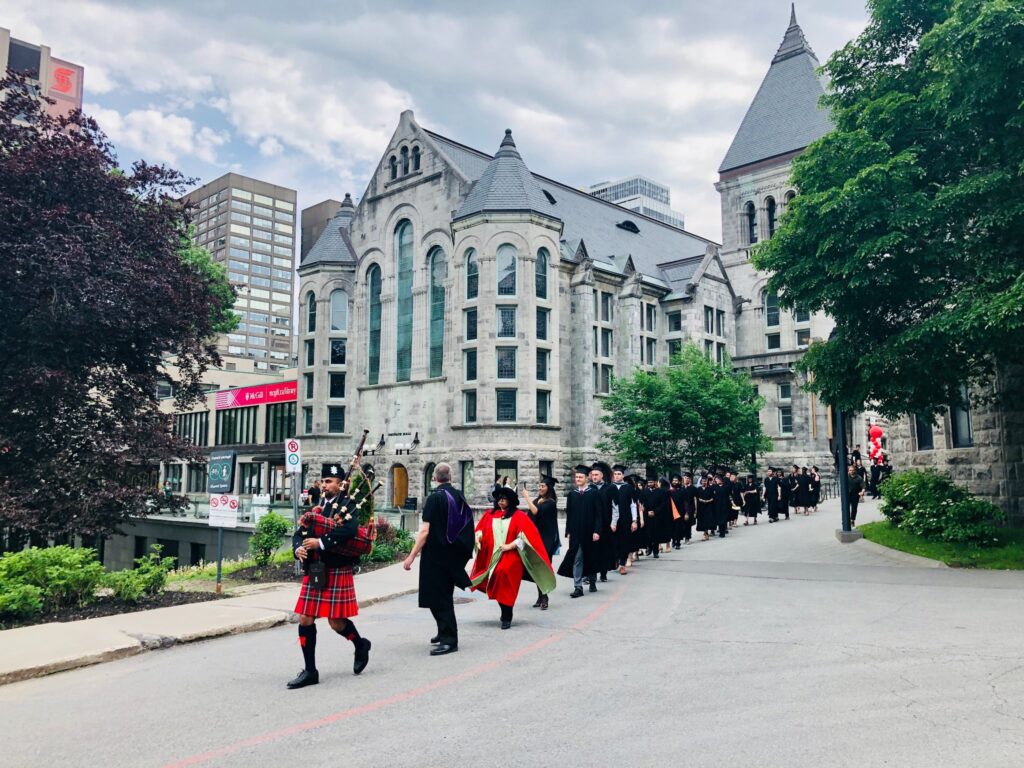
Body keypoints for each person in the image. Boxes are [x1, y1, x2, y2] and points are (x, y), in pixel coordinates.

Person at [287, 464, 371, 690]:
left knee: (336, 622)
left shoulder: (348, 505)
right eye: (323, 481)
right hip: (316, 568)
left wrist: (320, 543)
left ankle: (360, 644)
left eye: (330, 481)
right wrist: (299, 548)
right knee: (305, 617)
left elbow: (350, 531)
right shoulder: (318, 508)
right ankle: (310, 671)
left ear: (341, 484)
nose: (325, 485)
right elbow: (300, 532)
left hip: (336, 568)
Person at [403, 463, 474, 656]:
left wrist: (411, 556)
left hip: (436, 556)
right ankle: (443, 632)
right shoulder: (459, 495)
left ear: (434, 478)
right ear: (450, 477)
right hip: (452, 555)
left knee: (439, 598)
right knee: (440, 596)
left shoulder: (434, 498)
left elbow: (425, 531)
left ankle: (450, 640)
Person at [470, 487, 555, 629]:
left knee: (504, 574)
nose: (501, 502)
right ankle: (505, 611)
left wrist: (511, 545)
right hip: (494, 556)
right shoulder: (489, 515)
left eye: (504, 500)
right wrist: (477, 538)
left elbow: (527, 537)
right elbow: (479, 530)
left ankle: (507, 615)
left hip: (512, 555)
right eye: (499, 499)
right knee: (496, 580)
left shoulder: (519, 516)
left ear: (510, 501)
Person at [558, 465, 602, 597]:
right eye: (576, 477)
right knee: (577, 558)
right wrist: (568, 532)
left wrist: (597, 531)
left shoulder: (594, 493)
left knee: (591, 556)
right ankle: (578, 587)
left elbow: (599, 514)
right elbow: (569, 515)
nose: (578, 479)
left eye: (580, 477)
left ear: (587, 478)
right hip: (576, 533)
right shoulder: (572, 495)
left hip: (590, 532)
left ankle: (593, 580)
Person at [520, 476, 560, 610]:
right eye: (539, 486)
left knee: (543, 568)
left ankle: (545, 597)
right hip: (536, 539)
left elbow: (536, 511)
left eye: (543, 486)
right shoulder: (538, 500)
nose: (540, 488)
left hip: (547, 540)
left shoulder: (551, 502)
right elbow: (530, 517)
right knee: (536, 568)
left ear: (549, 488)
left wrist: (526, 497)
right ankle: (540, 596)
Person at [590, 462, 617, 582]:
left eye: (597, 474)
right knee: (593, 549)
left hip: (607, 523)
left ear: (602, 475)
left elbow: (616, 507)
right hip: (594, 524)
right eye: (593, 474)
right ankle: (592, 573)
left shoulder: (610, 488)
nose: (594, 477)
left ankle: (603, 572)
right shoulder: (590, 488)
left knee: (605, 549)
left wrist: (614, 522)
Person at [609, 465, 638, 574]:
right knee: (613, 541)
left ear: (623, 475)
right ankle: (615, 561)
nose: (616, 476)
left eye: (619, 474)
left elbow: (633, 505)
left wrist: (634, 521)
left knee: (624, 542)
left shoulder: (629, 488)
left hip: (626, 519)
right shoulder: (609, 487)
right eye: (615, 474)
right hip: (612, 520)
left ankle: (622, 565)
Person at [696, 475, 716, 540]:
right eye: (703, 481)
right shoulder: (698, 489)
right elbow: (697, 497)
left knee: (707, 520)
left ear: (707, 482)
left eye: (705, 481)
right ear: (701, 482)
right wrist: (701, 500)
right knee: (702, 520)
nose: (704, 482)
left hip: (708, 506)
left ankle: (706, 533)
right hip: (701, 507)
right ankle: (705, 533)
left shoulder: (709, 489)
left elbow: (713, 498)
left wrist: (707, 501)